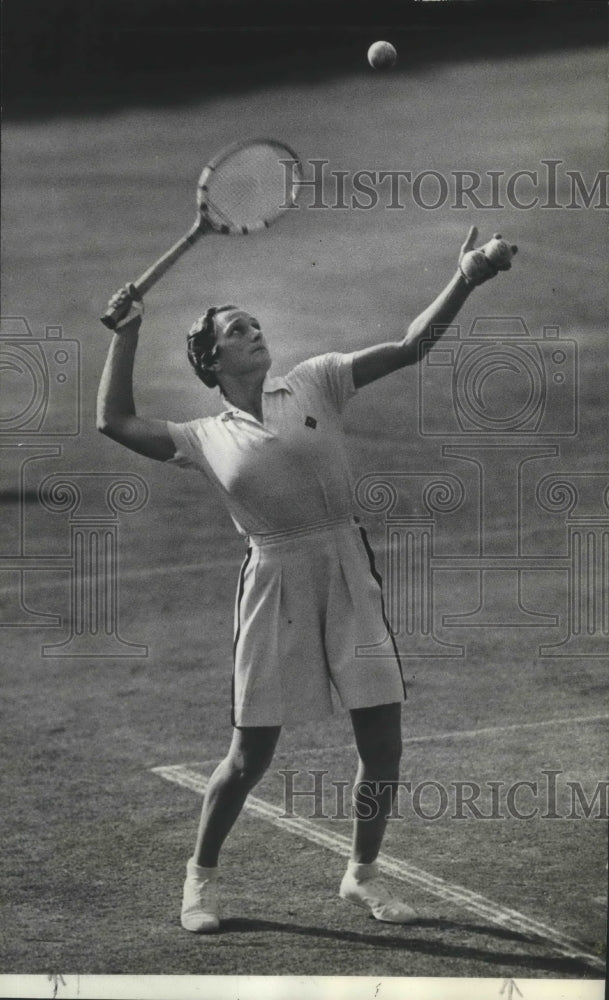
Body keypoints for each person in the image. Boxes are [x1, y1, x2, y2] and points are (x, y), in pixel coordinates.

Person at [97, 225, 515, 933]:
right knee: (249, 754)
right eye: (236, 330)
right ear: (211, 358)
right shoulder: (202, 436)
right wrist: (126, 333)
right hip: (273, 584)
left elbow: (411, 345)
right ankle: (199, 880)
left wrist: (466, 277)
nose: (254, 332)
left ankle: (363, 873)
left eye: (255, 324)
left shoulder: (317, 378)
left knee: (382, 744)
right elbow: (112, 421)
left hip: (347, 568)